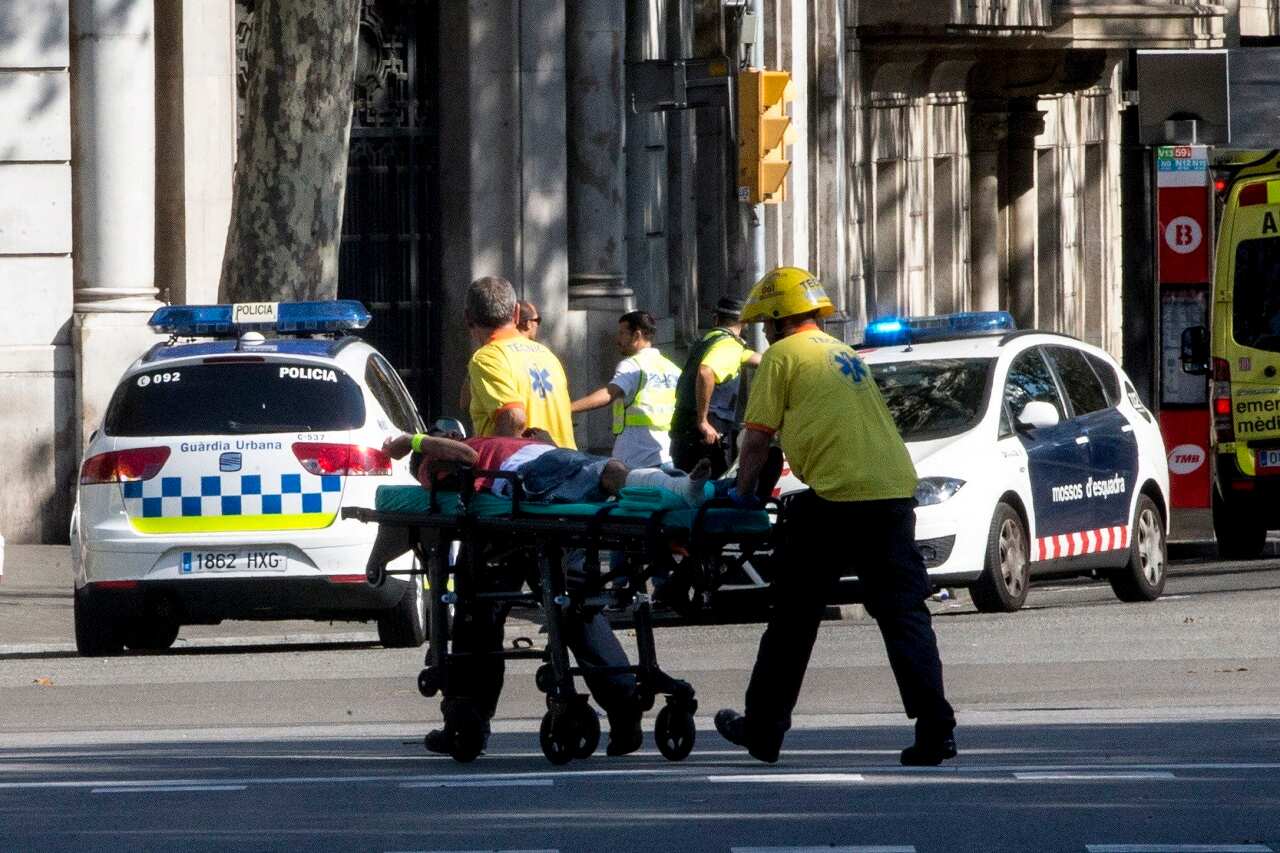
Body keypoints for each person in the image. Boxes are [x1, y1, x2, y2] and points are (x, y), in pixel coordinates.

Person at [713, 267, 957, 766]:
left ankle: (763, 728)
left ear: (778, 319)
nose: (765, 334)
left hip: (837, 498)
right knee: (904, 615)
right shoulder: (843, 353)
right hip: (892, 492)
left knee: (793, 617)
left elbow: (757, 437)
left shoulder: (783, 355)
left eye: (766, 324)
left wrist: (741, 493)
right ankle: (936, 729)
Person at [377, 428, 722, 759]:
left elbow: (469, 453)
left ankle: (468, 718)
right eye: (440, 436)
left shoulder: (458, 445)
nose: (448, 437)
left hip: (533, 491)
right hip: (538, 480)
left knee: (492, 613)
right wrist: (419, 445)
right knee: (575, 608)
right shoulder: (432, 462)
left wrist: (414, 440)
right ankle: (623, 706)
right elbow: (465, 457)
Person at [464, 276, 575, 449]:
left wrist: (499, 461)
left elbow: (513, 419)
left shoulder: (487, 358)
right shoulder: (546, 354)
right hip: (567, 460)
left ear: (467, 317)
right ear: (516, 313)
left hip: (529, 464)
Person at [570, 310, 682, 469]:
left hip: (635, 456)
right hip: (666, 455)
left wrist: (568, 408)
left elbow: (609, 393)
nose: (618, 339)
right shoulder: (673, 369)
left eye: (622, 333)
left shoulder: (632, 365)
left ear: (637, 335)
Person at [670, 296, 763, 477]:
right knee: (710, 484)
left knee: (687, 482)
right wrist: (703, 420)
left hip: (686, 427)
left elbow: (754, 358)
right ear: (744, 322)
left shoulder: (709, 341)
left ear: (716, 319)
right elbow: (706, 371)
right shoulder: (728, 346)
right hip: (706, 430)